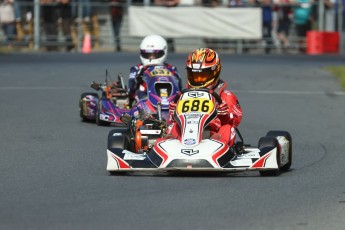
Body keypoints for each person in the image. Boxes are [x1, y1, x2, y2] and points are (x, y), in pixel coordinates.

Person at [168, 48, 243, 147]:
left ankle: (221, 149)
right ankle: (168, 146)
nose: (198, 80)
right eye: (194, 75)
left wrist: (224, 115)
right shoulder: (182, 96)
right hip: (185, 135)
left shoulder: (226, 96)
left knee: (227, 128)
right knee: (173, 126)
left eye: (202, 76)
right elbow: (173, 120)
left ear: (215, 71)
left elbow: (235, 121)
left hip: (213, 136)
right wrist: (173, 114)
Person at [127, 34, 182, 107]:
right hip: (144, 102)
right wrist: (139, 77)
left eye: (154, 54)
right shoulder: (137, 69)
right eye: (148, 54)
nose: (151, 57)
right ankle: (141, 106)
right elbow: (131, 88)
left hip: (168, 99)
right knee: (141, 87)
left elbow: (179, 87)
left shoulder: (171, 69)